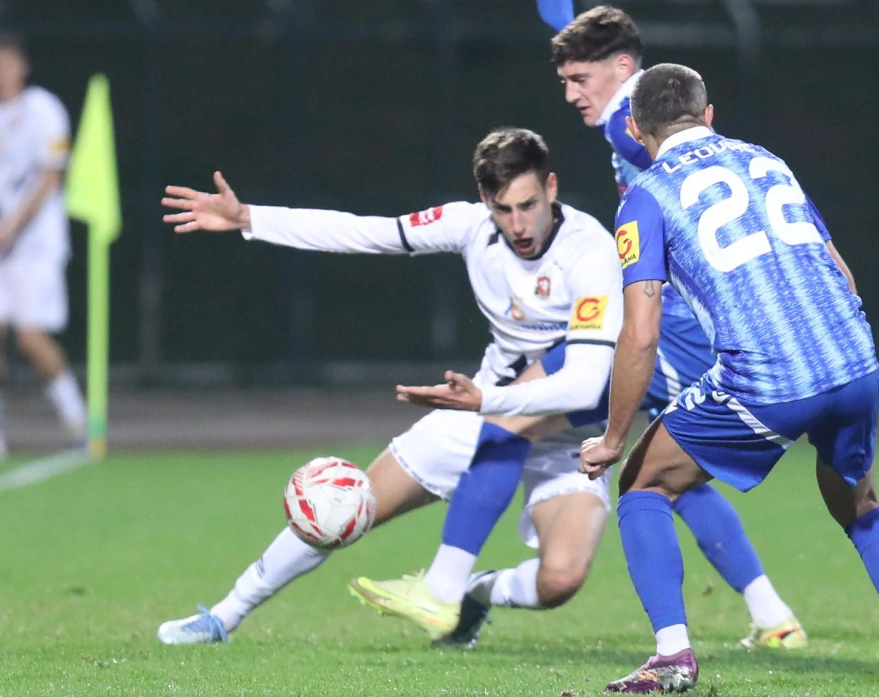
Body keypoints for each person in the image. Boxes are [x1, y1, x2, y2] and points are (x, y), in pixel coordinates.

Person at [379, 5, 810, 653]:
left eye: (580, 78)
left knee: (510, 416)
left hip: (663, 329)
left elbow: (641, 122)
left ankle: (442, 588)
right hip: (700, 329)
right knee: (661, 471)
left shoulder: (627, 118)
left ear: (624, 72)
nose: (571, 93)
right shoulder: (653, 110)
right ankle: (772, 612)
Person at [578, 63, 879, 693]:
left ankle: (673, 656)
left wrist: (613, 435)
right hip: (853, 361)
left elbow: (641, 331)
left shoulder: (643, 197)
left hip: (767, 379)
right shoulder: (767, 161)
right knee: (861, 506)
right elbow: (838, 271)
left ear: (633, 126)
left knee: (645, 484)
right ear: (708, 115)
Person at [155, 127, 624, 644]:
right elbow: (366, 232)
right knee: (340, 508)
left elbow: (584, 385)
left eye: (528, 204)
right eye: (502, 208)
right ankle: (224, 616)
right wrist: (250, 218)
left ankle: (473, 593)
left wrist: (488, 401)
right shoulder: (469, 227)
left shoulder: (590, 251)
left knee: (561, 580)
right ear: (484, 201)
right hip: (480, 409)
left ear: (551, 188)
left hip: (566, 432)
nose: (518, 223)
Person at [0, 30, 86, 460]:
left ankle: (80, 425)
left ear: (22, 66)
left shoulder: (44, 109)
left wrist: (12, 226)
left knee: (30, 336)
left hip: (34, 246)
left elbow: (51, 176)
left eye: (6, 62)